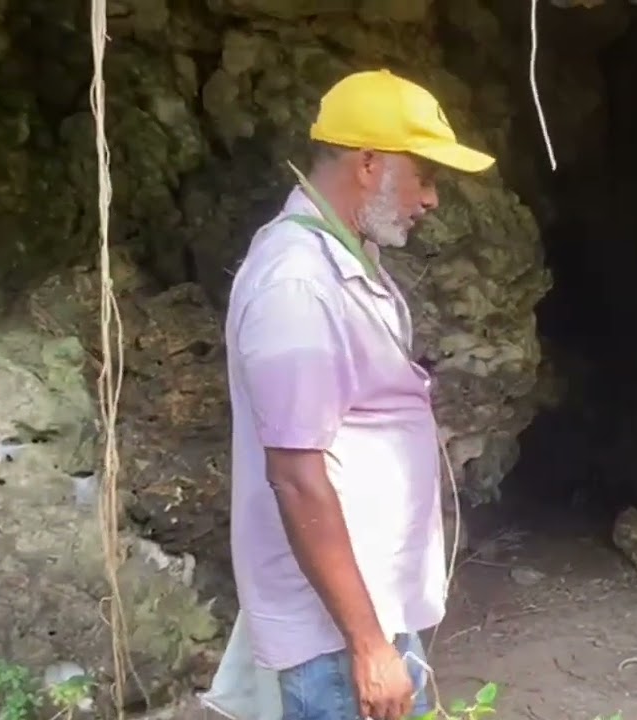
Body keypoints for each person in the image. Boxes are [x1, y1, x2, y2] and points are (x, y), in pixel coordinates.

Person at [223, 69, 497, 720]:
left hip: (366, 613)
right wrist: (370, 647)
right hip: (337, 639)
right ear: (370, 164)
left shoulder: (341, 262)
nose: (431, 200)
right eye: (424, 176)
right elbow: (295, 477)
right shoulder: (297, 285)